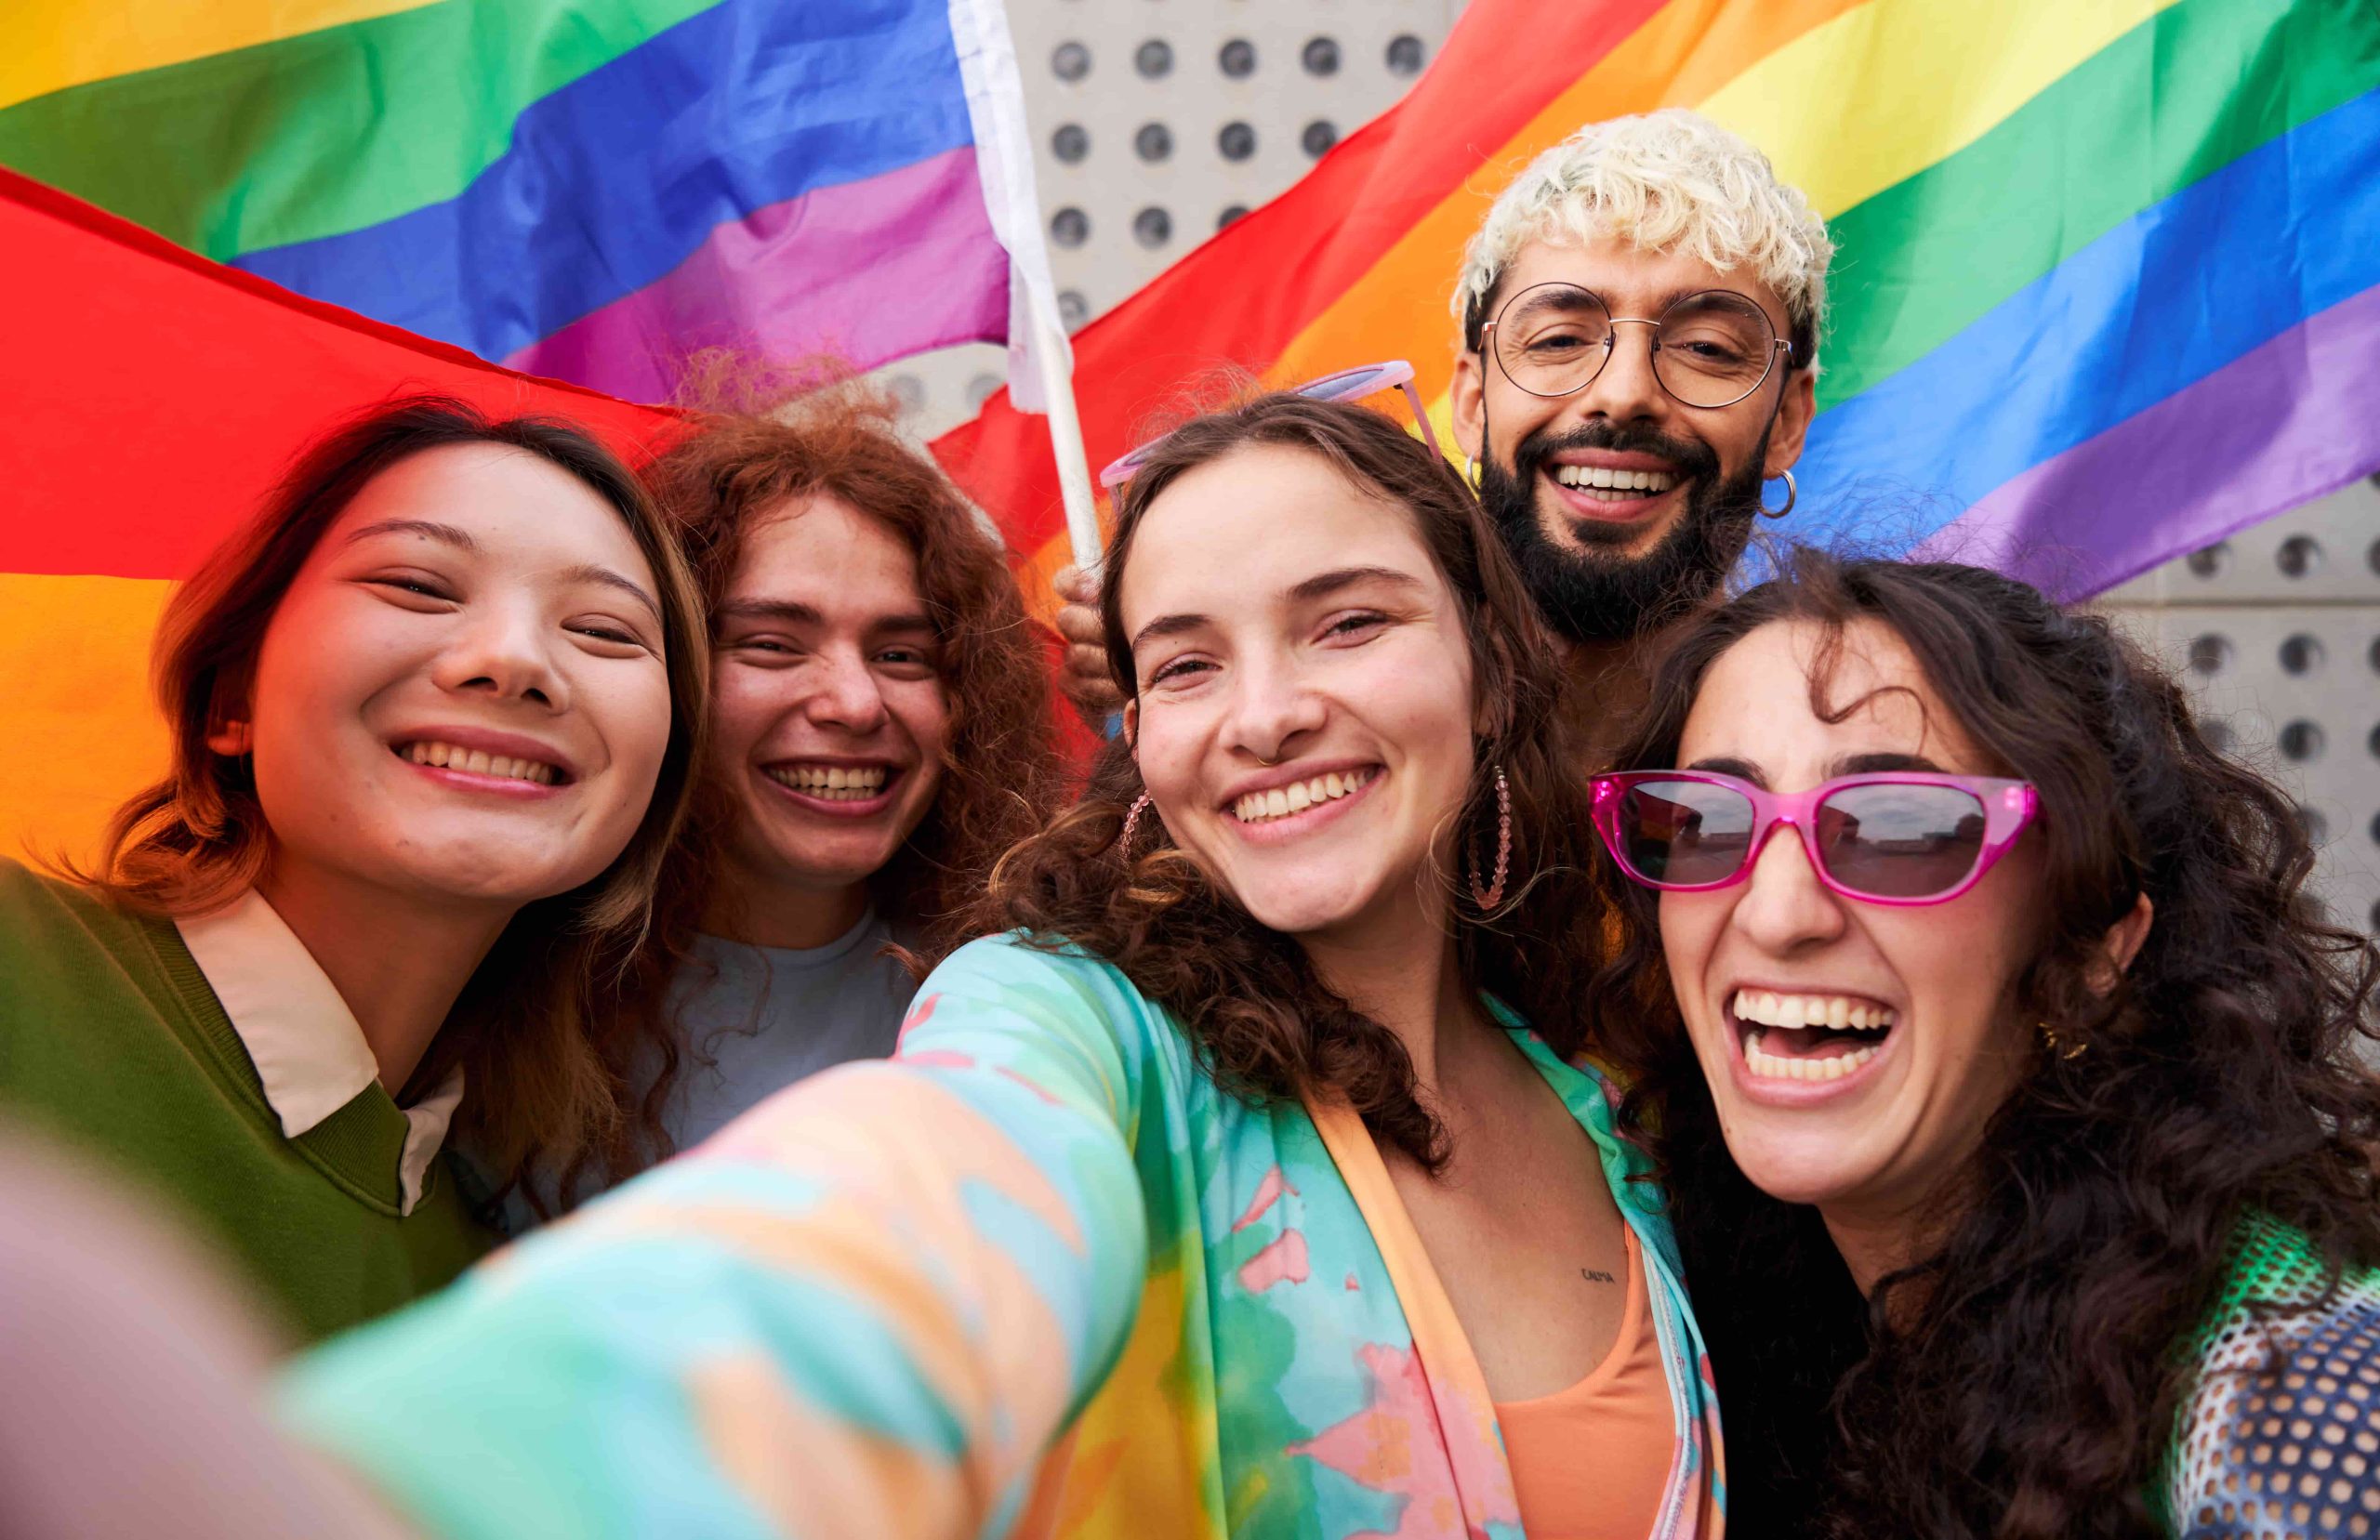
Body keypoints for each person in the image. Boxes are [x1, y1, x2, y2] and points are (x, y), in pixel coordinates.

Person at [280, 392, 1726, 1539]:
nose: (1269, 713)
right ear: (1141, 739)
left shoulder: (1616, 1106)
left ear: (1487, 660)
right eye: (1186, 661)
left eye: (1346, 621)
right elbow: (918, 1213)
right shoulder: (1064, 1017)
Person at [1581, 550, 2380, 1536]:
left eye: (1900, 827)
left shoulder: (2304, 1407)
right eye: (1705, 821)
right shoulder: (1739, 1317)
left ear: (2088, 944)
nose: (1778, 912)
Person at [0, 396, 707, 1340]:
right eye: (418, 584)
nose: (512, 659)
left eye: (606, 631)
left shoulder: (488, 1298)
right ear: (230, 696)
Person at [1056, 108, 1833, 759]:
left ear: (1788, 419)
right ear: (1469, 399)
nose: (1624, 393)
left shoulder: (1839, 752)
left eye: (1706, 349)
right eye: (1560, 339)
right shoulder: (1327, 758)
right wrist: (1187, 666)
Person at [542, 375, 1070, 1213]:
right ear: (663, 665)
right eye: (774, 645)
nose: (856, 703)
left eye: (903, 656)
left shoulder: (1045, 988)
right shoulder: (506, 986)